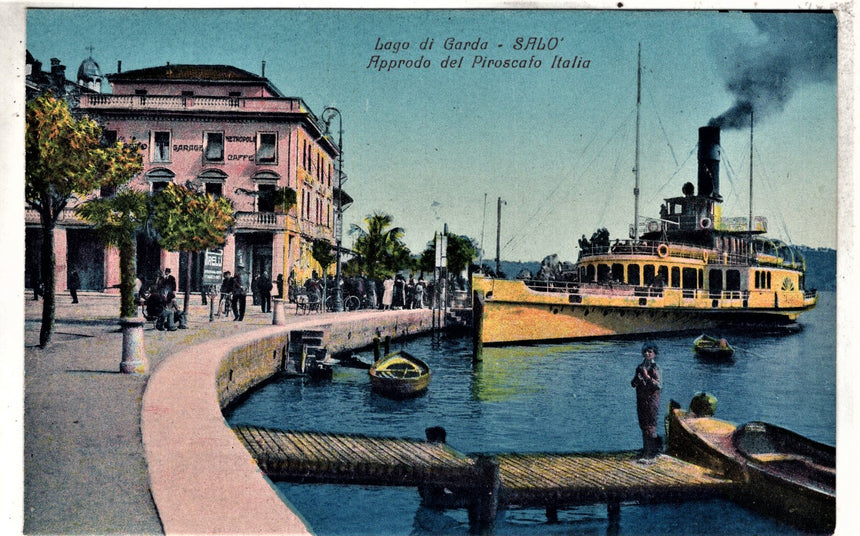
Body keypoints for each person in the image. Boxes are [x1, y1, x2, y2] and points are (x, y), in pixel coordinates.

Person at [631, 342, 662, 457]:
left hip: (652, 400)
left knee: (651, 425)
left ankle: (652, 452)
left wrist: (647, 377)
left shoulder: (656, 368)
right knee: (643, 425)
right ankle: (646, 450)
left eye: (650, 351)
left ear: (654, 354)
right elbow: (633, 384)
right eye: (645, 351)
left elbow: (658, 385)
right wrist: (638, 380)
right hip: (641, 399)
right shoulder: (640, 367)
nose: (647, 353)